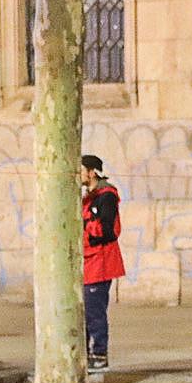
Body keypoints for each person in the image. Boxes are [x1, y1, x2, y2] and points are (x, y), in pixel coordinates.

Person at [79, 154, 125, 371]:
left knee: (94, 312)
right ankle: (87, 354)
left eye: (81, 170)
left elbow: (107, 230)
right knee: (85, 312)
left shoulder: (106, 195)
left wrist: (86, 228)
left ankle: (99, 355)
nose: (78, 174)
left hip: (101, 262)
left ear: (92, 172)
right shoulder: (89, 196)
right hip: (88, 262)